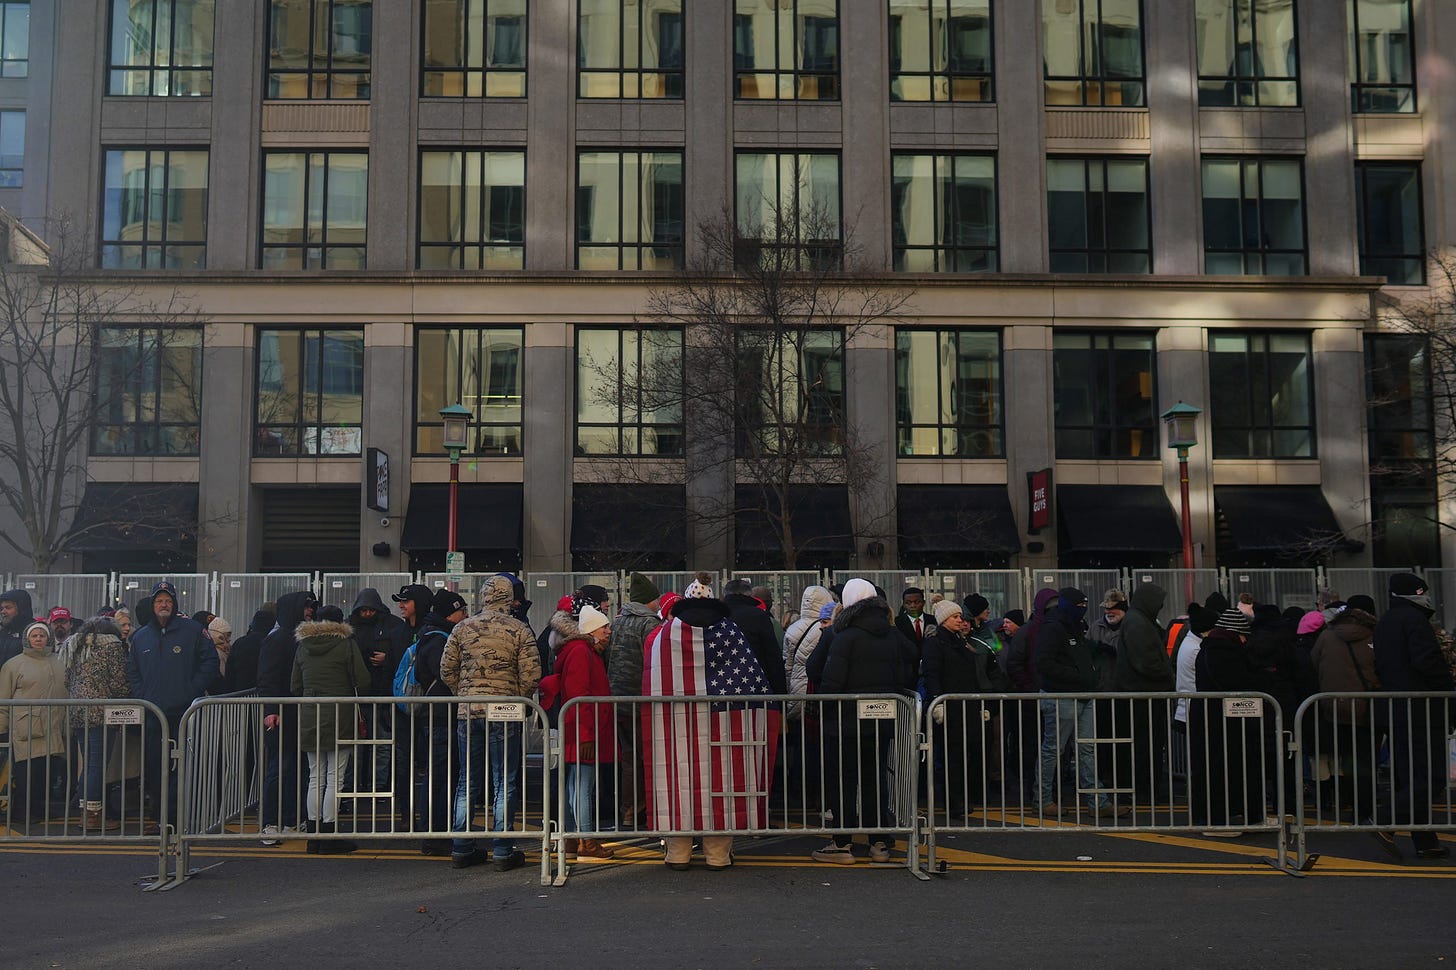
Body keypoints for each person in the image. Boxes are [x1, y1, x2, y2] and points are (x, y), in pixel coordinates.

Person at [642, 591, 778, 871]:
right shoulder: (730, 632)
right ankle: (718, 854)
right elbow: (752, 675)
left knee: (677, 777)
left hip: (675, 719)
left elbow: (652, 674)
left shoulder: (668, 633)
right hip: (726, 719)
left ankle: (677, 853)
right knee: (725, 778)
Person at [813, 578, 918, 864]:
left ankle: (842, 844)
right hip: (882, 718)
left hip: (845, 722)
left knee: (844, 782)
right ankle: (879, 843)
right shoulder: (891, 633)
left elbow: (832, 681)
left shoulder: (844, 636)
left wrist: (825, 709)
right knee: (875, 781)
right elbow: (911, 658)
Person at [440, 574, 541, 871]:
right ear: (509, 599)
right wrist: (516, 698)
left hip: (469, 710)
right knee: (504, 781)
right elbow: (531, 675)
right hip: (504, 710)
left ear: (483, 597)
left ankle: (461, 847)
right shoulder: (519, 629)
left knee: (466, 781)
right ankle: (502, 849)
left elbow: (447, 670)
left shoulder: (462, 627)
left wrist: (466, 693)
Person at [1369, 572, 1453, 861]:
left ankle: (1425, 840)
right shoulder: (1415, 620)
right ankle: (1386, 820)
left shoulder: (1385, 622)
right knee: (1432, 775)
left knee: (1411, 775)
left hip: (1397, 705)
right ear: (1417, 593)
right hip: (1422, 707)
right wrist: (1448, 690)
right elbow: (1427, 662)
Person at [126, 581, 218, 830]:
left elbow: (210, 662)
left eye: (167, 600)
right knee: (156, 766)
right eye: (159, 601)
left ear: (175, 604)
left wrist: (191, 689)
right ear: (153, 605)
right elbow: (133, 670)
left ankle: (177, 818)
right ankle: (159, 817)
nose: (163, 605)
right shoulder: (141, 636)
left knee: (182, 767)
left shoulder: (193, 630)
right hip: (154, 713)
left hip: (184, 712)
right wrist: (142, 694)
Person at [1035, 587, 1126, 820]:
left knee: (1086, 749)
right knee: (1055, 750)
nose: (1083, 609)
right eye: (1079, 606)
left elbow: (1078, 652)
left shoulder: (1072, 624)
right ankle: (1043, 800)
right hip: (1062, 695)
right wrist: (1080, 675)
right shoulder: (1054, 628)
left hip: (1081, 694)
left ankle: (1097, 802)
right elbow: (1044, 663)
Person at [290, 613, 370, 854]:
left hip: (310, 713)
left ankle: (313, 835)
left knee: (315, 777)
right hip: (339, 713)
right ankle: (330, 832)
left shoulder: (303, 645)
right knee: (336, 778)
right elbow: (362, 680)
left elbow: (295, 685)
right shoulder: (346, 644)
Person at [923, 597, 1009, 818]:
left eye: (960, 616)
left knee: (967, 754)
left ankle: (965, 799)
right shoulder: (936, 643)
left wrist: (981, 703)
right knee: (952, 757)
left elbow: (973, 674)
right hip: (950, 707)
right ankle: (954, 803)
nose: (960, 620)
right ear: (943, 620)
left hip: (968, 705)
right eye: (955, 617)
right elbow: (932, 674)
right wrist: (937, 702)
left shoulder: (960, 641)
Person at [543, 603, 616, 861]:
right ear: (592, 630)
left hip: (580, 728)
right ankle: (586, 840)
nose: (609, 631)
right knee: (582, 786)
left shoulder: (579, 650)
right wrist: (586, 734)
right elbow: (579, 695)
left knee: (575, 786)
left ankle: (573, 839)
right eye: (605, 627)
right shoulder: (582, 653)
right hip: (584, 730)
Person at [1189, 608, 1268, 836]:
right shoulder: (1223, 652)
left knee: (1216, 767)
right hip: (1221, 718)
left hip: (1212, 716)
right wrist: (1263, 678)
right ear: (1236, 634)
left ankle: (1219, 816)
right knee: (1221, 767)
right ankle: (1218, 819)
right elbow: (1237, 681)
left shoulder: (1209, 648)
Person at [256, 589, 319, 844]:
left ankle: (292, 819)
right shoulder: (279, 638)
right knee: (280, 768)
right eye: (306, 607)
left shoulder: (300, 637)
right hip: (283, 713)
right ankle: (271, 822)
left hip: (296, 713)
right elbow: (267, 677)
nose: (311, 611)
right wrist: (271, 710)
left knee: (298, 769)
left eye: (312, 607)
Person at [410, 588, 468, 855]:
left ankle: (435, 829)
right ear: (449, 613)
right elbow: (445, 675)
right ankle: (435, 831)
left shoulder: (432, 635)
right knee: (442, 776)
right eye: (460, 611)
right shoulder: (438, 640)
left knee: (441, 774)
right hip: (441, 718)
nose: (465, 615)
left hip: (438, 717)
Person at [1310, 603, 1379, 820]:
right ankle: (1366, 806)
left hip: (1334, 706)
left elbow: (1314, 663)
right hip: (1368, 706)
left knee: (1347, 757)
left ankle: (1352, 801)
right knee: (1366, 758)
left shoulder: (1327, 636)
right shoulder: (1373, 635)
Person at [347, 587, 411, 826]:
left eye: (369, 610)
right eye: (363, 610)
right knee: (362, 745)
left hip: (379, 693)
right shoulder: (389, 624)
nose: (366, 614)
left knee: (381, 743)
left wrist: (387, 657)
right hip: (364, 694)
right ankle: (364, 784)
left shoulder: (388, 625)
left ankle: (377, 784)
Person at [606, 572, 662, 829]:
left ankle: (627, 809)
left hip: (618, 699)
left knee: (629, 757)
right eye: (656, 599)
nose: (659, 603)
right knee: (645, 757)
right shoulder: (649, 624)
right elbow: (655, 662)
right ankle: (640, 809)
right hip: (642, 700)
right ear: (648, 601)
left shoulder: (617, 622)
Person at [64, 616, 130, 831]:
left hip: (77, 710)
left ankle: (86, 813)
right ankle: (92, 817)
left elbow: (67, 679)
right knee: (96, 766)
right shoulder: (112, 647)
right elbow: (119, 682)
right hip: (102, 712)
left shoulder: (75, 645)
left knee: (89, 764)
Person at [0, 622, 69, 823]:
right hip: (26, 728)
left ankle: (40, 809)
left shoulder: (60, 661)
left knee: (47, 773)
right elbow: (3, 697)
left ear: (48, 638)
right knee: (26, 774)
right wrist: (2, 726)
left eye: (42, 635)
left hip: (54, 726)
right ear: (27, 639)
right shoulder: (13, 665)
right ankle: (21, 811)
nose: (38, 639)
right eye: (34, 636)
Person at [1112, 583, 1172, 804]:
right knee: (1144, 746)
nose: (1161, 606)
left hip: (1140, 694)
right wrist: (1167, 674)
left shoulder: (1137, 620)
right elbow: (1145, 662)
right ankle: (1144, 791)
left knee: (1145, 745)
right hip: (1141, 695)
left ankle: (1144, 790)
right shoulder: (1138, 623)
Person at [722, 578, 788, 694]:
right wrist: (780, 694)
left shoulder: (717, 615)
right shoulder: (759, 616)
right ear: (750, 595)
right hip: (756, 685)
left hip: (722, 685)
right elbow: (772, 656)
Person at [225, 609, 274, 693]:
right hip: (262, 696)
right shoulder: (271, 644)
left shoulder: (239, 643)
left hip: (238, 695)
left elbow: (229, 673)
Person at [0, 586, 36, 668]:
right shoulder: (3, 631)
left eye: (8, 608)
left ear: (21, 609)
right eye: (1, 608)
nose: (3, 612)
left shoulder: (35, 631)